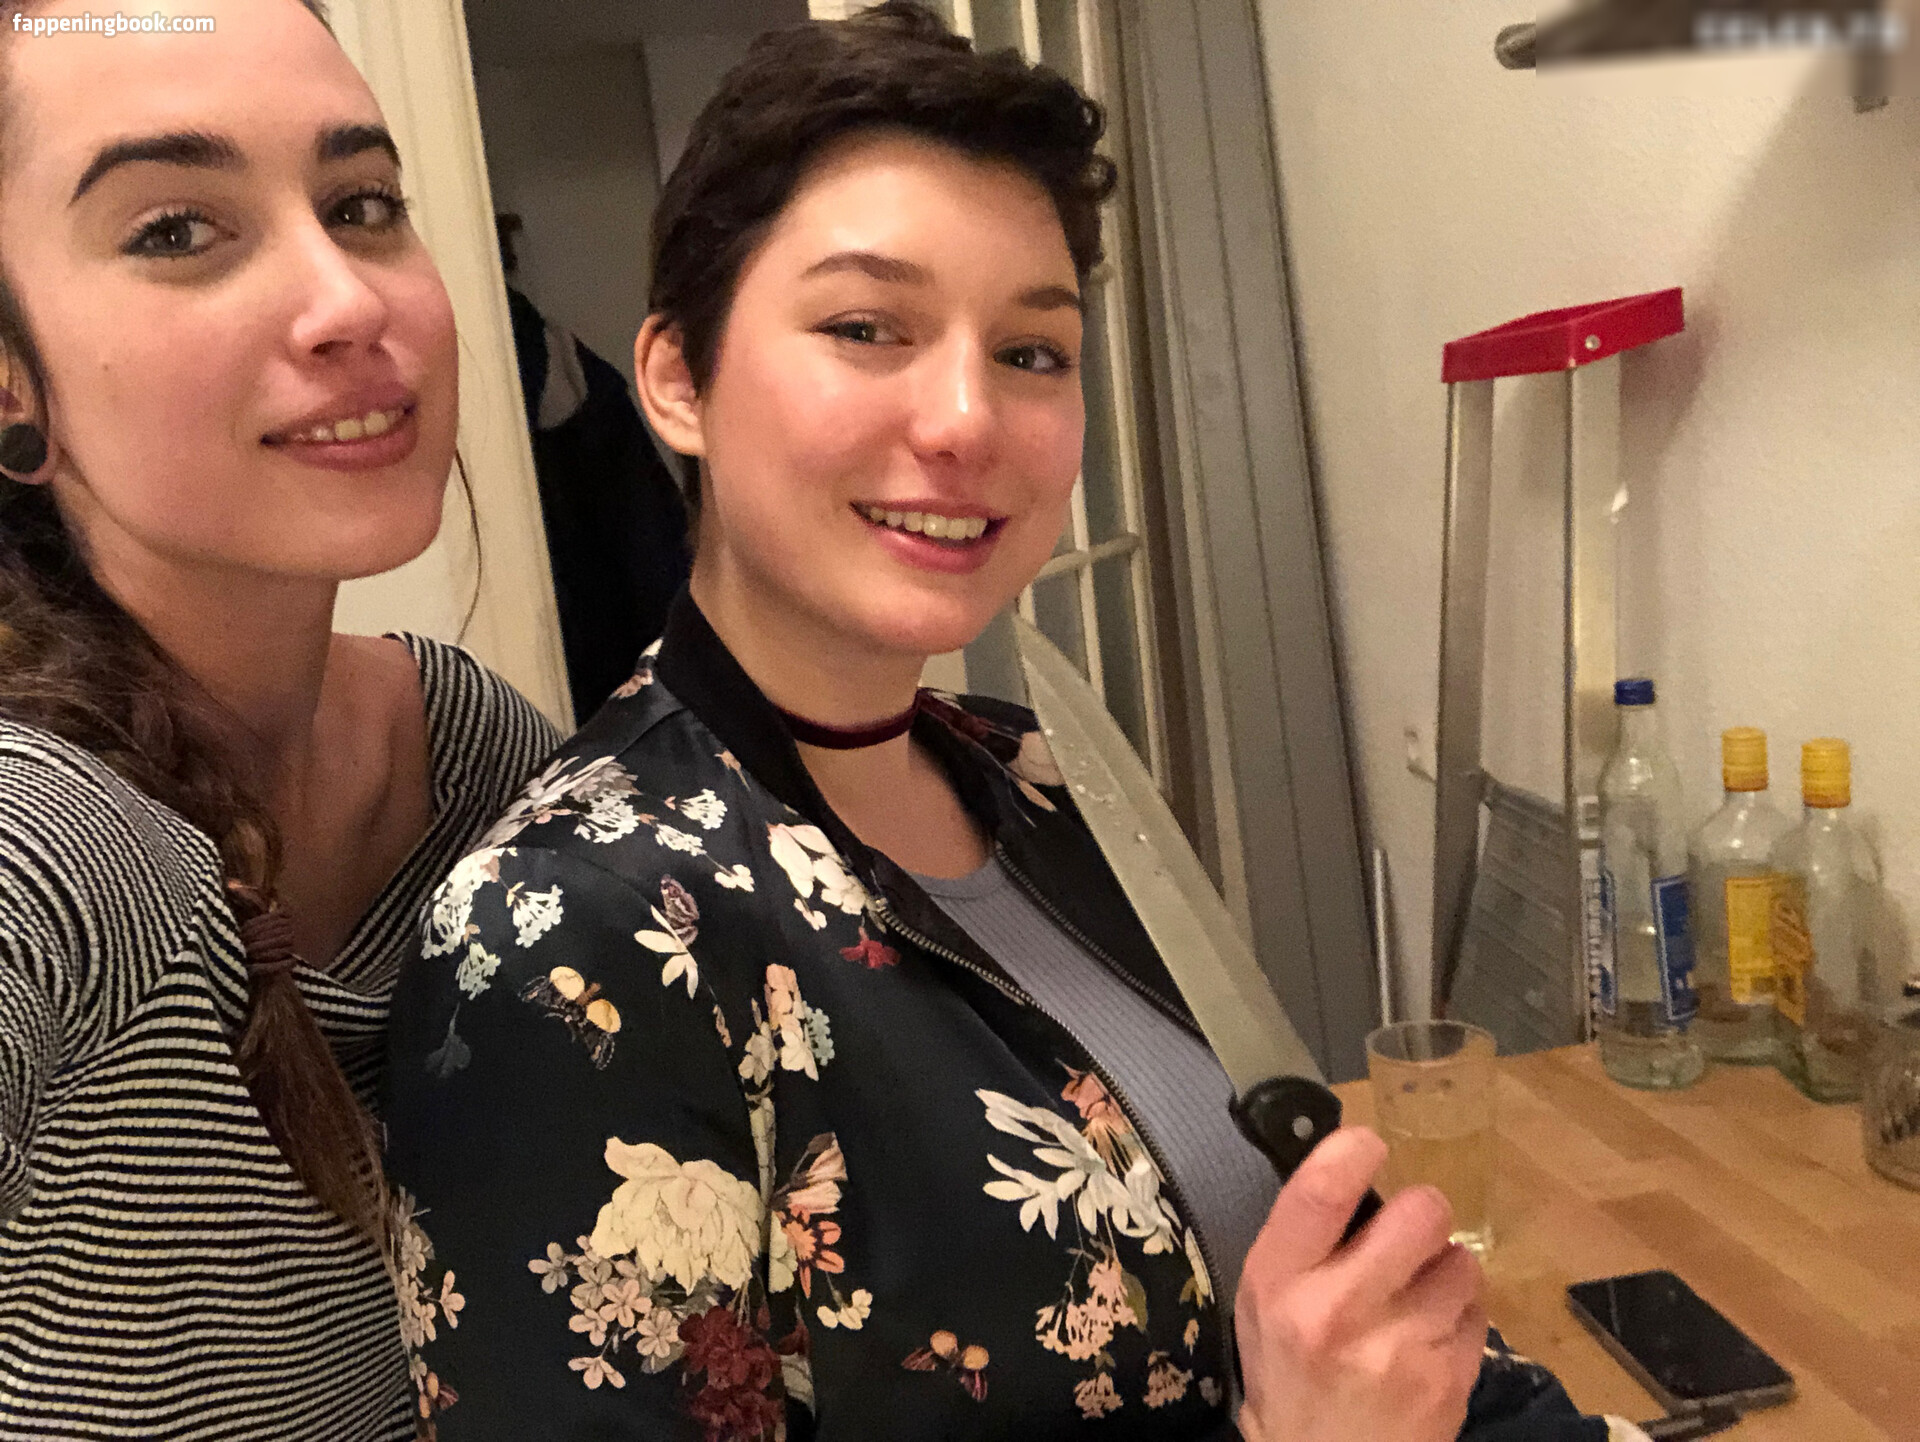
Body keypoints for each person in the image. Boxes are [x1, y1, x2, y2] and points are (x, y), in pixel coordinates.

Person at [384, 7, 1650, 1440]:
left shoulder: (1029, 773)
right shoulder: (572, 935)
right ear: (677, 377)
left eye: (1034, 351)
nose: (968, 420)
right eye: (867, 328)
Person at [0, 1, 557, 1436]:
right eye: (177, 229)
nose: (348, 300)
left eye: (362, 204)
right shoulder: (37, 848)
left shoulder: (467, 747)